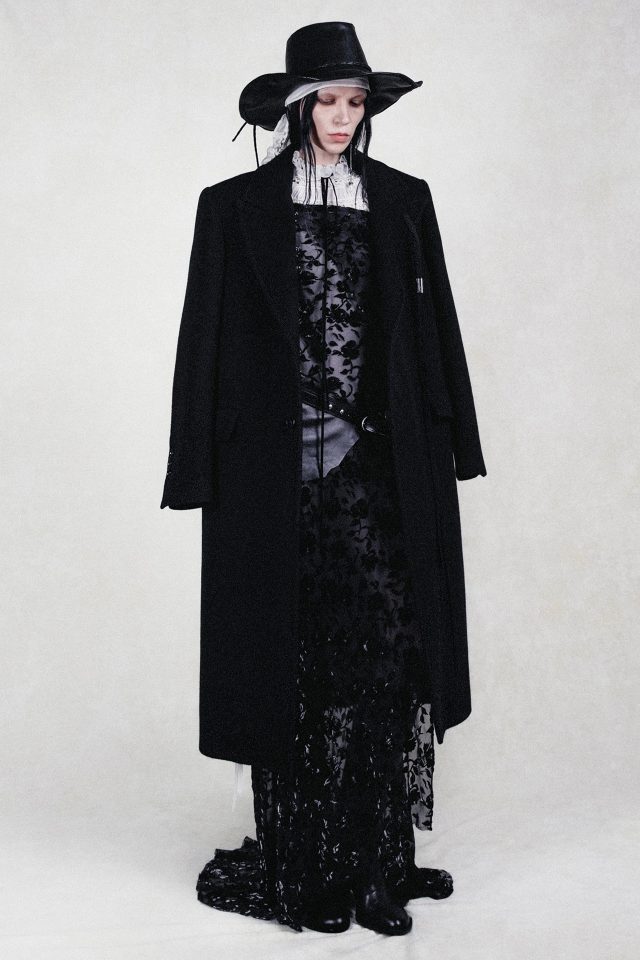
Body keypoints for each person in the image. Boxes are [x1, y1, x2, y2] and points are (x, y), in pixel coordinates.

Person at [161, 21, 487, 937]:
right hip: (273, 474)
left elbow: (434, 328)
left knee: (386, 654)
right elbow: (203, 341)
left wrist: (454, 442)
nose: (343, 118)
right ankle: (306, 866)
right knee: (295, 660)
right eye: (328, 102)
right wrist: (196, 465)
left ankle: (378, 864)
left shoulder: (405, 199)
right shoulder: (232, 207)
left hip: (384, 468)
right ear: (297, 107)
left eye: (355, 102)